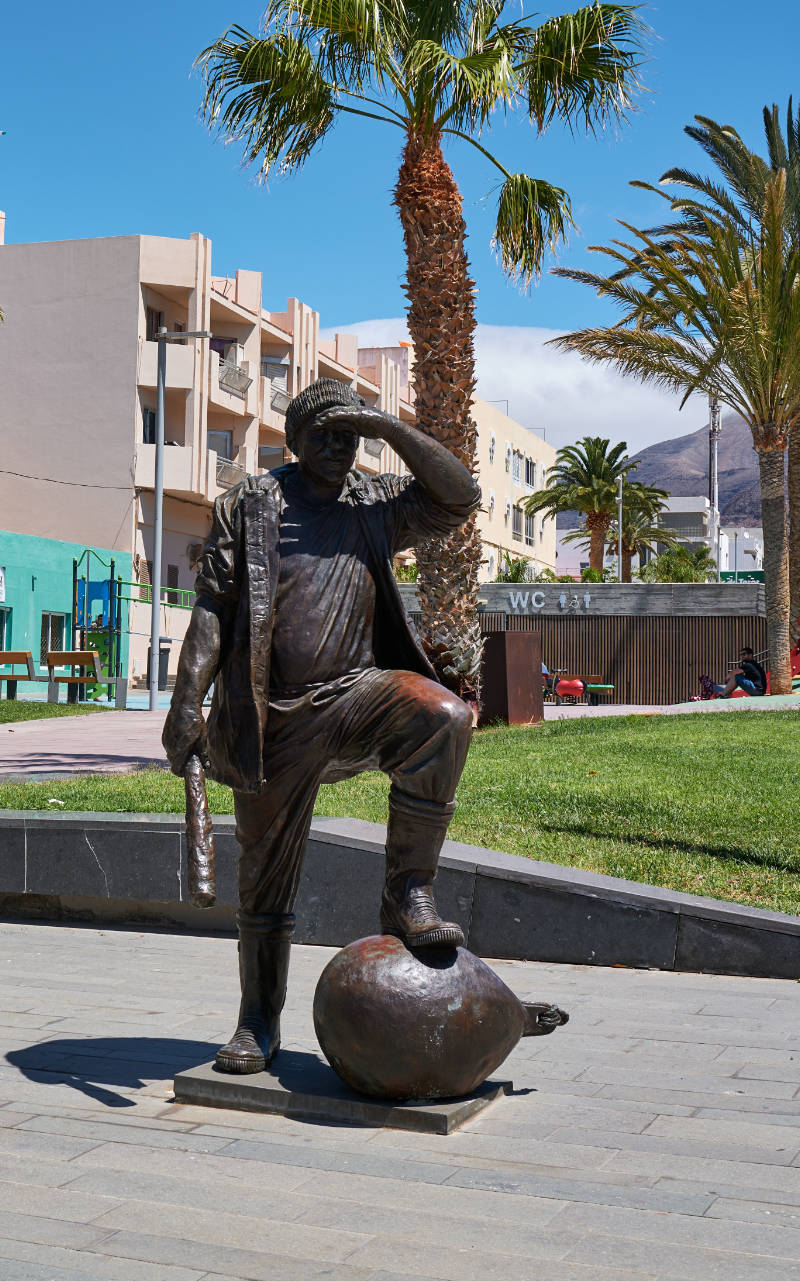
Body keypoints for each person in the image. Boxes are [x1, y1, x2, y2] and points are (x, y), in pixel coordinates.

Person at [163, 379, 480, 1075]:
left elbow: (460, 497)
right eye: (326, 434)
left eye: (350, 436)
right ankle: (258, 1020)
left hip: (357, 697)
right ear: (295, 439)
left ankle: (408, 893)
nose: (339, 448)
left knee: (444, 717)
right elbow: (213, 607)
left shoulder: (374, 504)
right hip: (269, 717)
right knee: (265, 886)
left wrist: (388, 427)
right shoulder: (250, 505)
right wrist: (188, 698)